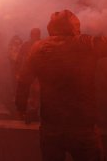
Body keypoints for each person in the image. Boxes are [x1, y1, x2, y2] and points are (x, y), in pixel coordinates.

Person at [15, 10, 107, 161]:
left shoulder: (38, 48)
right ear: (74, 26)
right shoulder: (85, 42)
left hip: (51, 126)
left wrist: (20, 107)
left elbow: (24, 80)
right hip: (82, 126)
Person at [15, 28, 41, 123]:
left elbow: (19, 58)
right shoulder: (40, 44)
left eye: (36, 34)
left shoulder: (40, 44)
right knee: (26, 93)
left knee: (31, 93)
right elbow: (19, 58)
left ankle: (26, 112)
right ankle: (24, 112)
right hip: (30, 72)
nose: (35, 36)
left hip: (33, 73)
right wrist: (17, 71)